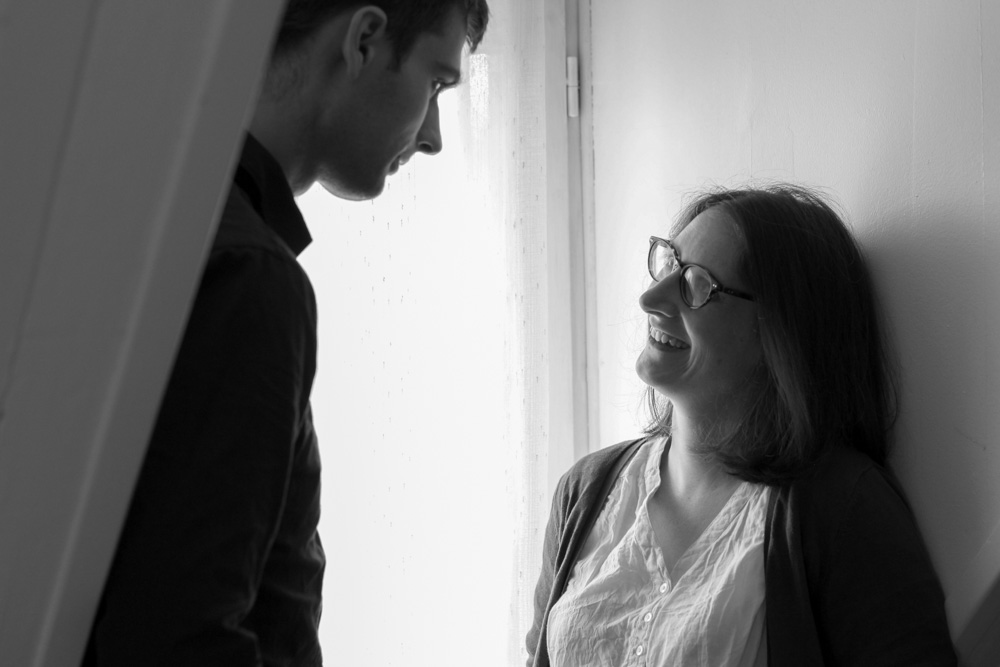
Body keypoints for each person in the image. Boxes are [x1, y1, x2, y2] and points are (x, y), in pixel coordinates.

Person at [84, 1, 488, 665]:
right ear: (363, 40)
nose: (435, 135)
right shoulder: (251, 276)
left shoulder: (158, 211)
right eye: (436, 83)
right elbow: (182, 637)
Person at [526, 186, 957, 666]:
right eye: (667, 264)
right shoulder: (585, 492)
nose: (650, 298)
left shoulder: (845, 510)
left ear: (780, 332)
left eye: (696, 284)